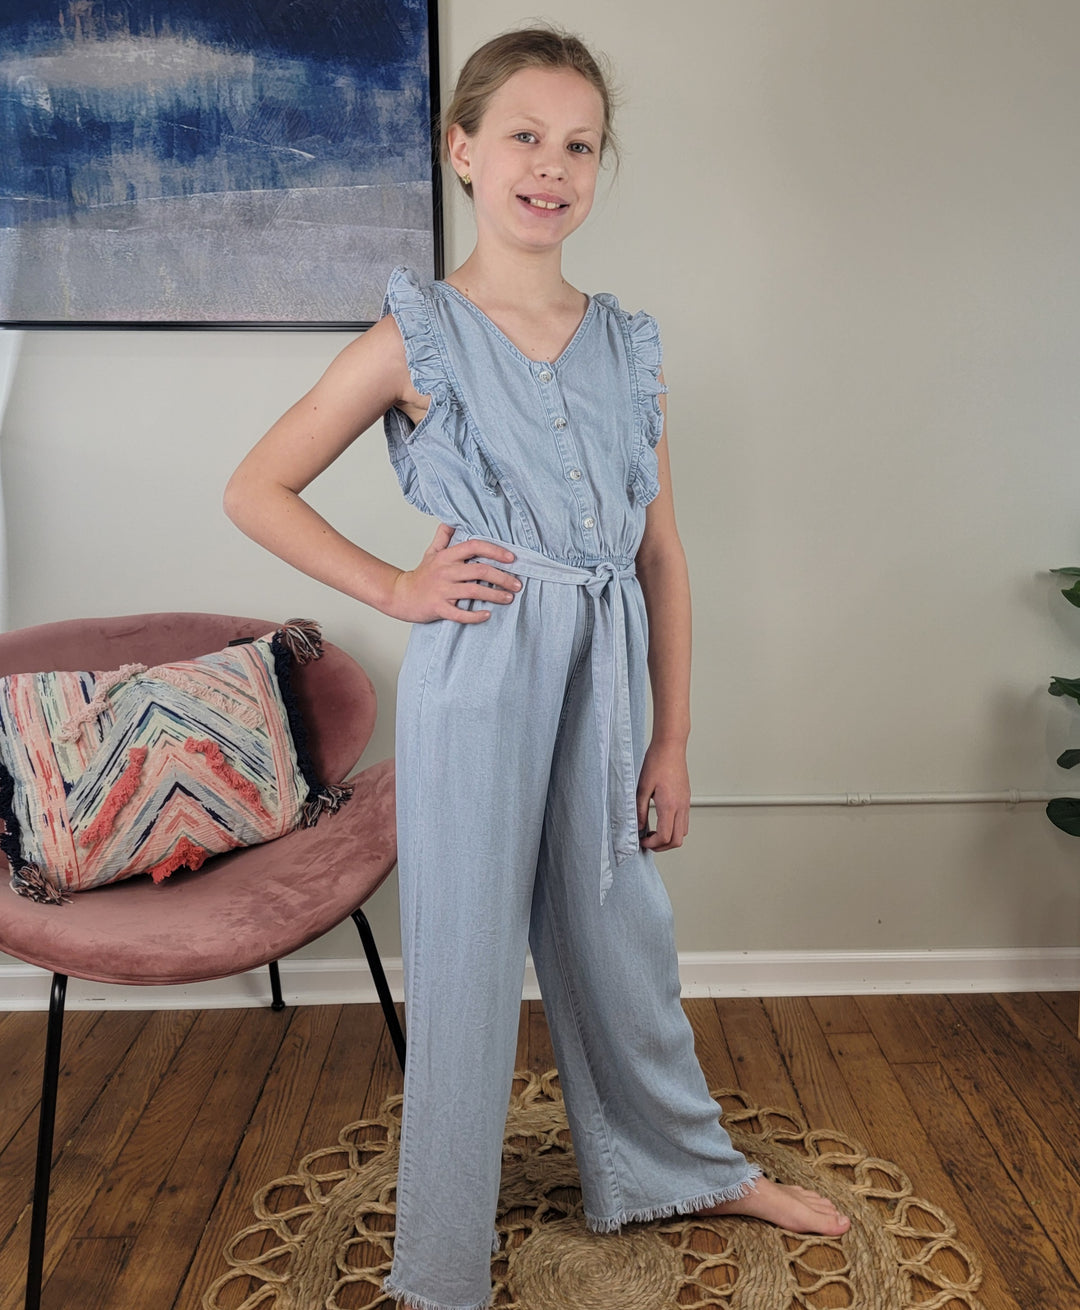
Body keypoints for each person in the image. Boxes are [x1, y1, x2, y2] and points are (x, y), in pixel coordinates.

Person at [224, 25, 850, 1310]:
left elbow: (661, 553)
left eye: (579, 144)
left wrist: (673, 737)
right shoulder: (417, 336)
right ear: (463, 150)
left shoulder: (628, 343)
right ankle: (439, 1269)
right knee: (464, 961)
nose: (550, 166)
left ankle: (684, 1166)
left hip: (605, 672)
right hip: (481, 672)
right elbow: (256, 486)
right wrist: (397, 588)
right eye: (524, 136)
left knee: (622, 934)